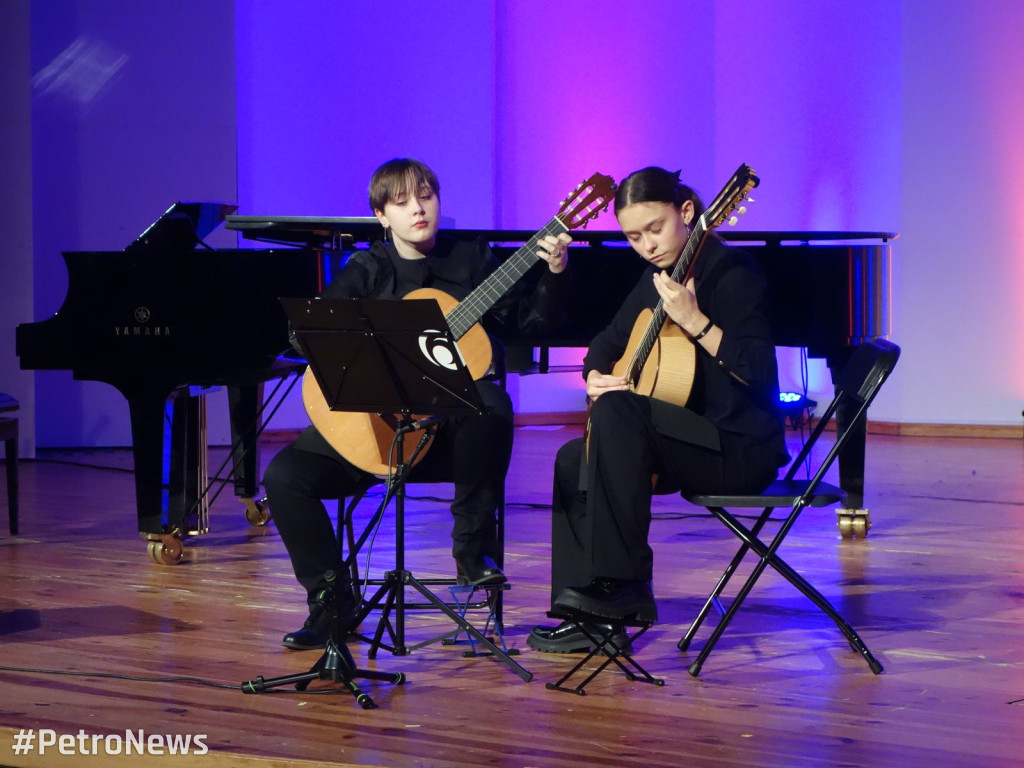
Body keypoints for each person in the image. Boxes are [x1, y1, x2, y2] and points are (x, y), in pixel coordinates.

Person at [265, 157, 572, 650]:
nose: (418, 209)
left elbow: (532, 325)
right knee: (284, 477)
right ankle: (331, 602)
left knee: (490, 404)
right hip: (376, 432)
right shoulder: (367, 268)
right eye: (402, 201)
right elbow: (306, 337)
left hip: (450, 440)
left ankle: (471, 555)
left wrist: (554, 273)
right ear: (382, 216)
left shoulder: (473, 258)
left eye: (426, 195)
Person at [527, 166, 788, 654]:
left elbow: (760, 372)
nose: (647, 245)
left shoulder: (733, 273)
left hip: (738, 449)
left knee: (619, 413)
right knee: (570, 459)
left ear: (686, 213)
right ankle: (587, 618)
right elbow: (605, 344)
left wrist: (696, 322)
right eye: (633, 236)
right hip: (680, 443)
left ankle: (622, 588)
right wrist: (592, 376)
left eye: (655, 228)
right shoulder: (657, 278)